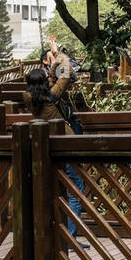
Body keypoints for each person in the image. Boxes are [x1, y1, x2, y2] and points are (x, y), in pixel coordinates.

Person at [23, 62, 89, 250]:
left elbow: (53, 78)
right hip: (64, 148)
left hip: (43, 149)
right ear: (45, 82)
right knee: (76, 191)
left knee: (51, 191)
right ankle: (68, 238)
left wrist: (51, 69)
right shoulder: (52, 96)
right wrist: (59, 56)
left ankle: (52, 235)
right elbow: (66, 73)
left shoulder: (29, 98)